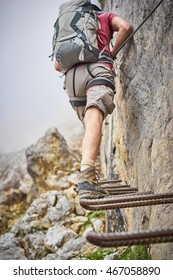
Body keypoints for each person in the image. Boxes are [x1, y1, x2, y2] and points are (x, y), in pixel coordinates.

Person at [54, 0, 133, 200]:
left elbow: (57, 65)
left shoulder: (64, 27)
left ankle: (87, 175)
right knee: (94, 121)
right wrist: (111, 54)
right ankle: (87, 178)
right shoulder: (103, 16)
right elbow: (126, 27)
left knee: (89, 125)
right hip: (98, 68)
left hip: (72, 79)